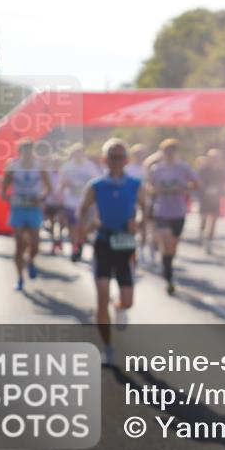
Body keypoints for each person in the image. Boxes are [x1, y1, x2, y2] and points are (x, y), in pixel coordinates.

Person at [79, 139, 144, 366]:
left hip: (125, 244)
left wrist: (137, 222)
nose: (117, 161)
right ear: (105, 160)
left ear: (126, 160)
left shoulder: (135, 184)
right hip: (103, 243)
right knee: (102, 296)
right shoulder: (96, 185)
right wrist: (89, 224)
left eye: (120, 157)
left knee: (127, 301)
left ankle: (120, 307)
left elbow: (145, 209)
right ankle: (107, 347)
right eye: (112, 157)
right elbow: (83, 210)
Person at [147, 139, 198, 295]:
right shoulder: (156, 169)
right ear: (162, 153)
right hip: (162, 212)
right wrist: (156, 189)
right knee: (167, 244)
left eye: (172, 151)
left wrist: (184, 188)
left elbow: (196, 184)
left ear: (176, 153)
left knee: (173, 248)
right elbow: (148, 187)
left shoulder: (183, 167)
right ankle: (168, 277)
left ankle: (167, 265)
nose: (169, 154)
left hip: (178, 212)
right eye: (166, 151)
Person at [1, 139, 52, 291]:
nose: (27, 153)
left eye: (30, 150)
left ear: (33, 151)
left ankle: (30, 261)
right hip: (18, 209)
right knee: (19, 246)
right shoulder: (13, 166)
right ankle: (19, 278)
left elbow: (48, 188)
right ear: (19, 152)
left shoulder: (39, 166)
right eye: (24, 150)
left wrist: (41, 197)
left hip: (33, 209)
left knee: (35, 245)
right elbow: (3, 188)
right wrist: (6, 196)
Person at [58, 144, 101, 262]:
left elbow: (97, 182)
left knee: (82, 228)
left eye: (80, 152)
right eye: (76, 153)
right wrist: (61, 195)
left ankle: (79, 244)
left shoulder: (90, 166)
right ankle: (75, 248)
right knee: (73, 227)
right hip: (71, 201)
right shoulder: (67, 167)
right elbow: (61, 184)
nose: (78, 155)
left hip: (86, 202)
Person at [197, 148, 225, 254]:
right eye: (212, 158)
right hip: (205, 198)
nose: (214, 160)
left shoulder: (222, 170)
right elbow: (198, 181)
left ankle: (209, 241)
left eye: (216, 158)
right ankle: (201, 234)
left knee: (214, 220)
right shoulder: (204, 169)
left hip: (216, 198)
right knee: (204, 218)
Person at [124, 143, 150, 263]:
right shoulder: (128, 169)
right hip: (131, 203)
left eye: (142, 153)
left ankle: (142, 250)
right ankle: (130, 252)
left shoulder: (147, 168)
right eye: (137, 154)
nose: (140, 156)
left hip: (145, 203)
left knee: (144, 227)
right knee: (131, 227)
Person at [41, 155, 65, 255]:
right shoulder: (47, 173)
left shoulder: (64, 173)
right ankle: (54, 242)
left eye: (58, 162)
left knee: (61, 223)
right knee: (52, 224)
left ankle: (58, 239)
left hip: (61, 202)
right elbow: (44, 186)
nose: (56, 164)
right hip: (49, 202)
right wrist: (44, 198)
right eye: (54, 162)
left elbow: (66, 186)